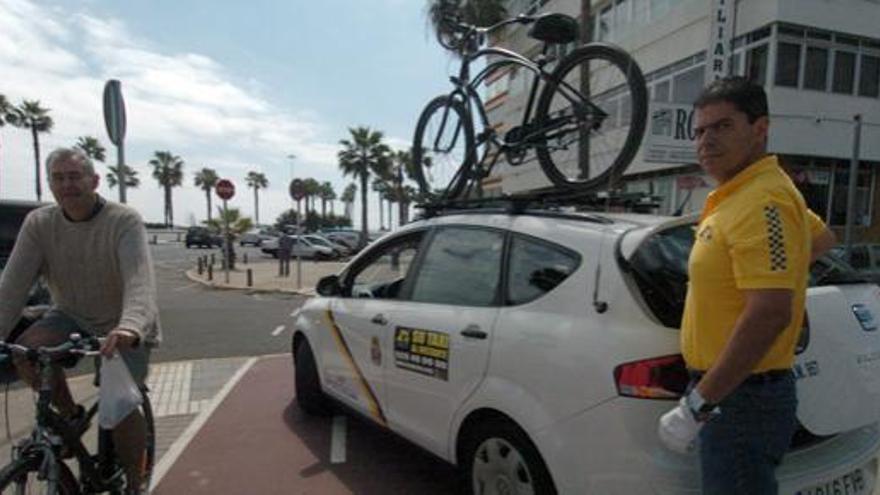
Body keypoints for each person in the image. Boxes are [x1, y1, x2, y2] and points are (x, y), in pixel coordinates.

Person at [657, 77, 835, 494]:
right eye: (699, 131)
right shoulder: (745, 194)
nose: (706, 141)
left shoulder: (761, 201)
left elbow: (770, 312)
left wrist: (698, 404)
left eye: (722, 126)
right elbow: (823, 238)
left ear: (760, 128)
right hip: (737, 395)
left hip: (736, 399)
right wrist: (780, 271)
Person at [0, 148, 161, 494]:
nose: (67, 185)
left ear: (94, 181)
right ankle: (70, 414)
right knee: (25, 352)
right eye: (58, 178)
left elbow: (139, 281)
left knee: (119, 404)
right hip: (70, 314)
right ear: (50, 185)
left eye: (75, 176)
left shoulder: (123, 219)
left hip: (122, 321)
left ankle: (134, 483)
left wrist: (131, 326)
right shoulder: (40, 223)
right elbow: (11, 288)